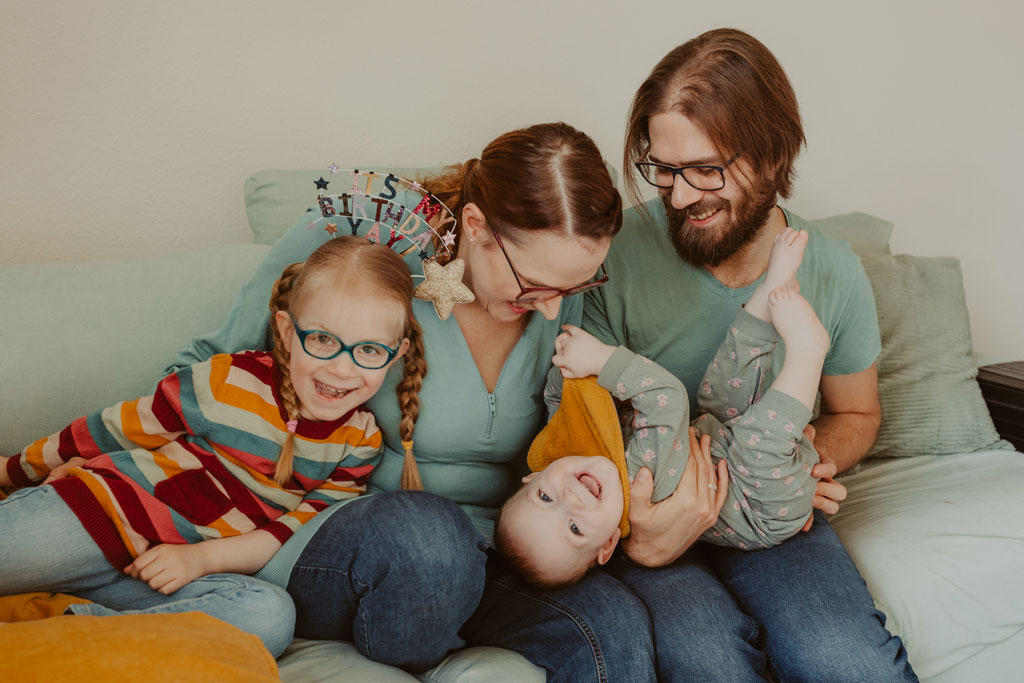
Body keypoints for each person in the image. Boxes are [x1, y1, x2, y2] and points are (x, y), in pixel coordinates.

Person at [161, 122, 676, 678]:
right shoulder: (372, 250)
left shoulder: (556, 300)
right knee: (431, 537)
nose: (552, 310)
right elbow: (209, 369)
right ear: (476, 226)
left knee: (611, 622)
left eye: (572, 288)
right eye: (533, 285)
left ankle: (433, 626)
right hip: (337, 537)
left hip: (487, 557)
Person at [582, 28, 918, 681]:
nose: (679, 196)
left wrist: (806, 459)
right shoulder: (613, 256)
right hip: (650, 517)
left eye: (706, 170)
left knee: (850, 663)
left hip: (767, 515)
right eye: (665, 169)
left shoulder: (831, 268)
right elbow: (575, 419)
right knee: (711, 662)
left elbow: (859, 413)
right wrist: (642, 526)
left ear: (773, 152)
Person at [0, 235, 423, 658]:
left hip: (160, 576)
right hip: (95, 518)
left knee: (269, 617)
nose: (342, 367)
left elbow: (287, 531)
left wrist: (199, 561)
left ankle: (65, 625)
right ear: (288, 332)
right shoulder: (228, 380)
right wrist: (14, 470)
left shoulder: (360, 442)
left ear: (397, 353)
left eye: (368, 349)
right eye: (324, 340)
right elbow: (118, 426)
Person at [497, 227, 829, 587]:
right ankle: (808, 354)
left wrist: (567, 368)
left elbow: (562, 400)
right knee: (757, 442)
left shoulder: (565, 451)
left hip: (718, 442)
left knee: (721, 394)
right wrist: (602, 359)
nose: (571, 498)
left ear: (532, 476)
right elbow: (667, 399)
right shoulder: (637, 481)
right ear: (607, 545)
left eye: (545, 496)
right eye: (575, 528)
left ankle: (767, 295)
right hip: (763, 502)